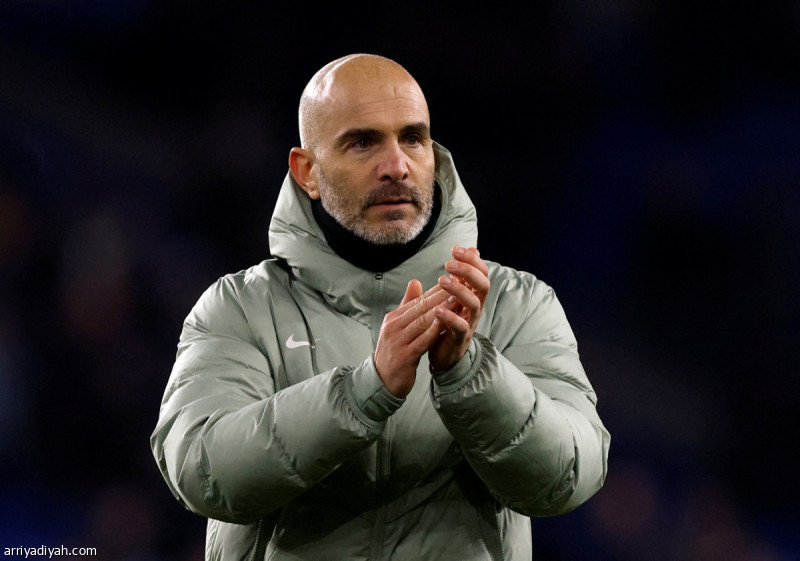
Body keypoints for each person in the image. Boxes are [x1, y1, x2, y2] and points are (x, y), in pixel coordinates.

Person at [151, 53, 610, 561]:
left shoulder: (518, 305)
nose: (396, 166)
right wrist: (362, 392)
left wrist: (471, 374)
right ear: (307, 171)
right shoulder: (240, 308)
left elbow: (569, 478)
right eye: (363, 142)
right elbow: (202, 472)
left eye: (412, 138)